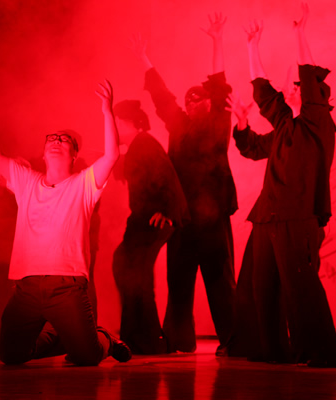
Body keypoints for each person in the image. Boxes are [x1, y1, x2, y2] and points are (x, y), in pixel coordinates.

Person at [0, 79, 131, 366]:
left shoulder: (84, 184)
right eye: (51, 138)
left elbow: (112, 155)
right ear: (43, 153)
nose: (56, 140)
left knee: (87, 357)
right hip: (27, 288)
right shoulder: (26, 181)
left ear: (75, 154)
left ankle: (104, 339)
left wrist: (107, 111)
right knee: (11, 355)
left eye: (64, 139)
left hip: (67, 287)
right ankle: (67, 338)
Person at [226, 3, 336, 367]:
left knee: (300, 286)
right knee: (262, 285)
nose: (292, 90)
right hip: (268, 216)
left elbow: (307, 76)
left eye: (300, 90)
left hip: (298, 217)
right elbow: (262, 101)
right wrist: (251, 46)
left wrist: (299, 32)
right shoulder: (284, 128)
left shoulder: (318, 126)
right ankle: (273, 349)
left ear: (318, 100)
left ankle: (320, 352)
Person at [130, 13, 237, 354]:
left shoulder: (219, 121)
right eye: (188, 98)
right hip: (183, 217)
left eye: (198, 97)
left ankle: (234, 340)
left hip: (213, 218)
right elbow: (162, 97)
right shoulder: (177, 124)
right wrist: (144, 59)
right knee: (178, 281)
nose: (191, 102)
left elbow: (220, 86)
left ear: (209, 103)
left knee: (220, 282)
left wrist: (217, 41)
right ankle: (179, 340)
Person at [111, 100, 189, 354]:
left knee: (134, 272)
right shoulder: (138, 145)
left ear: (127, 123)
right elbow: (124, 174)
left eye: (116, 123)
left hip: (152, 218)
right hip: (145, 217)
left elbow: (166, 176)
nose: (113, 128)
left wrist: (167, 211)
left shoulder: (145, 143)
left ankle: (146, 340)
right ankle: (142, 338)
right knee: (129, 268)